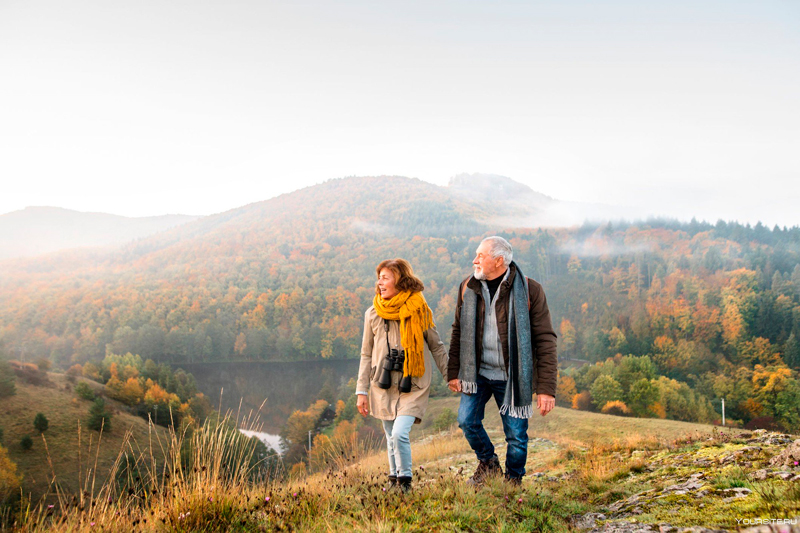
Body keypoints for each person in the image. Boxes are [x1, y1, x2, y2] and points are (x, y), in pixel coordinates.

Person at [448, 236, 557, 486]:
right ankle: (488, 463)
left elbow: (545, 340)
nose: (474, 260)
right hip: (478, 372)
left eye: (481, 256)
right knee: (467, 421)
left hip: (512, 376)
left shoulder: (530, 290)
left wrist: (546, 389)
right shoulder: (468, 286)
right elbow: (458, 330)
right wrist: (454, 371)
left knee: (516, 436)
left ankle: (513, 483)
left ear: (498, 261)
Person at [356, 258, 449, 492]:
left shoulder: (419, 311)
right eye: (379, 278)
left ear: (400, 281)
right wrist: (361, 390)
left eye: (385, 278)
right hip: (383, 383)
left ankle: (405, 483)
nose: (379, 283)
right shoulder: (373, 314)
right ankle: (394, 480)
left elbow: (436, 346)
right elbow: (366, 353)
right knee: (389, 435)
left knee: (399, 433)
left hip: (413, 383)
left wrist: (451, 376)